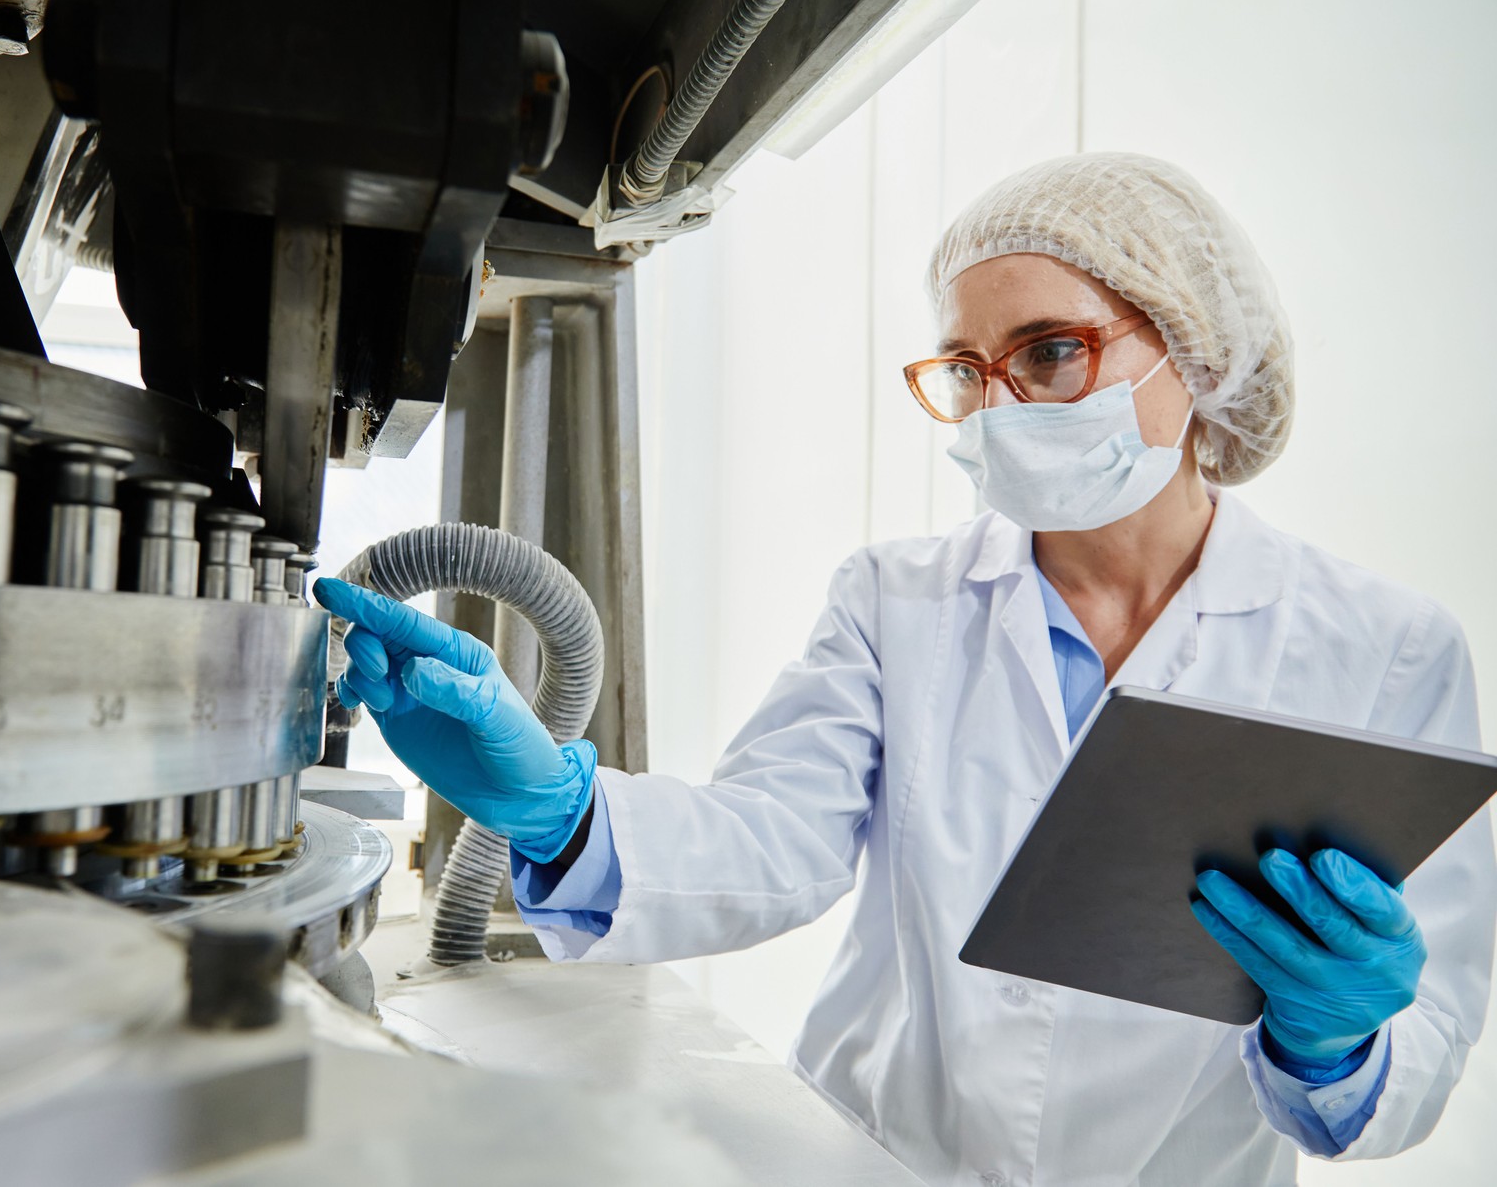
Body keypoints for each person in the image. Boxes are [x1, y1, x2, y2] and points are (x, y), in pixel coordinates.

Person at [315, 153, 1495, 1185]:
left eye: (1050, 352)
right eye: (972, 371)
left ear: (1190, 349)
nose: (1001, 405)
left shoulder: (1385, 650)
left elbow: (1425, 1035)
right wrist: (566, 812)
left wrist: (1338, 1044)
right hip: (869, 1156)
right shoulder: (901, 599)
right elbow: (774, 837)